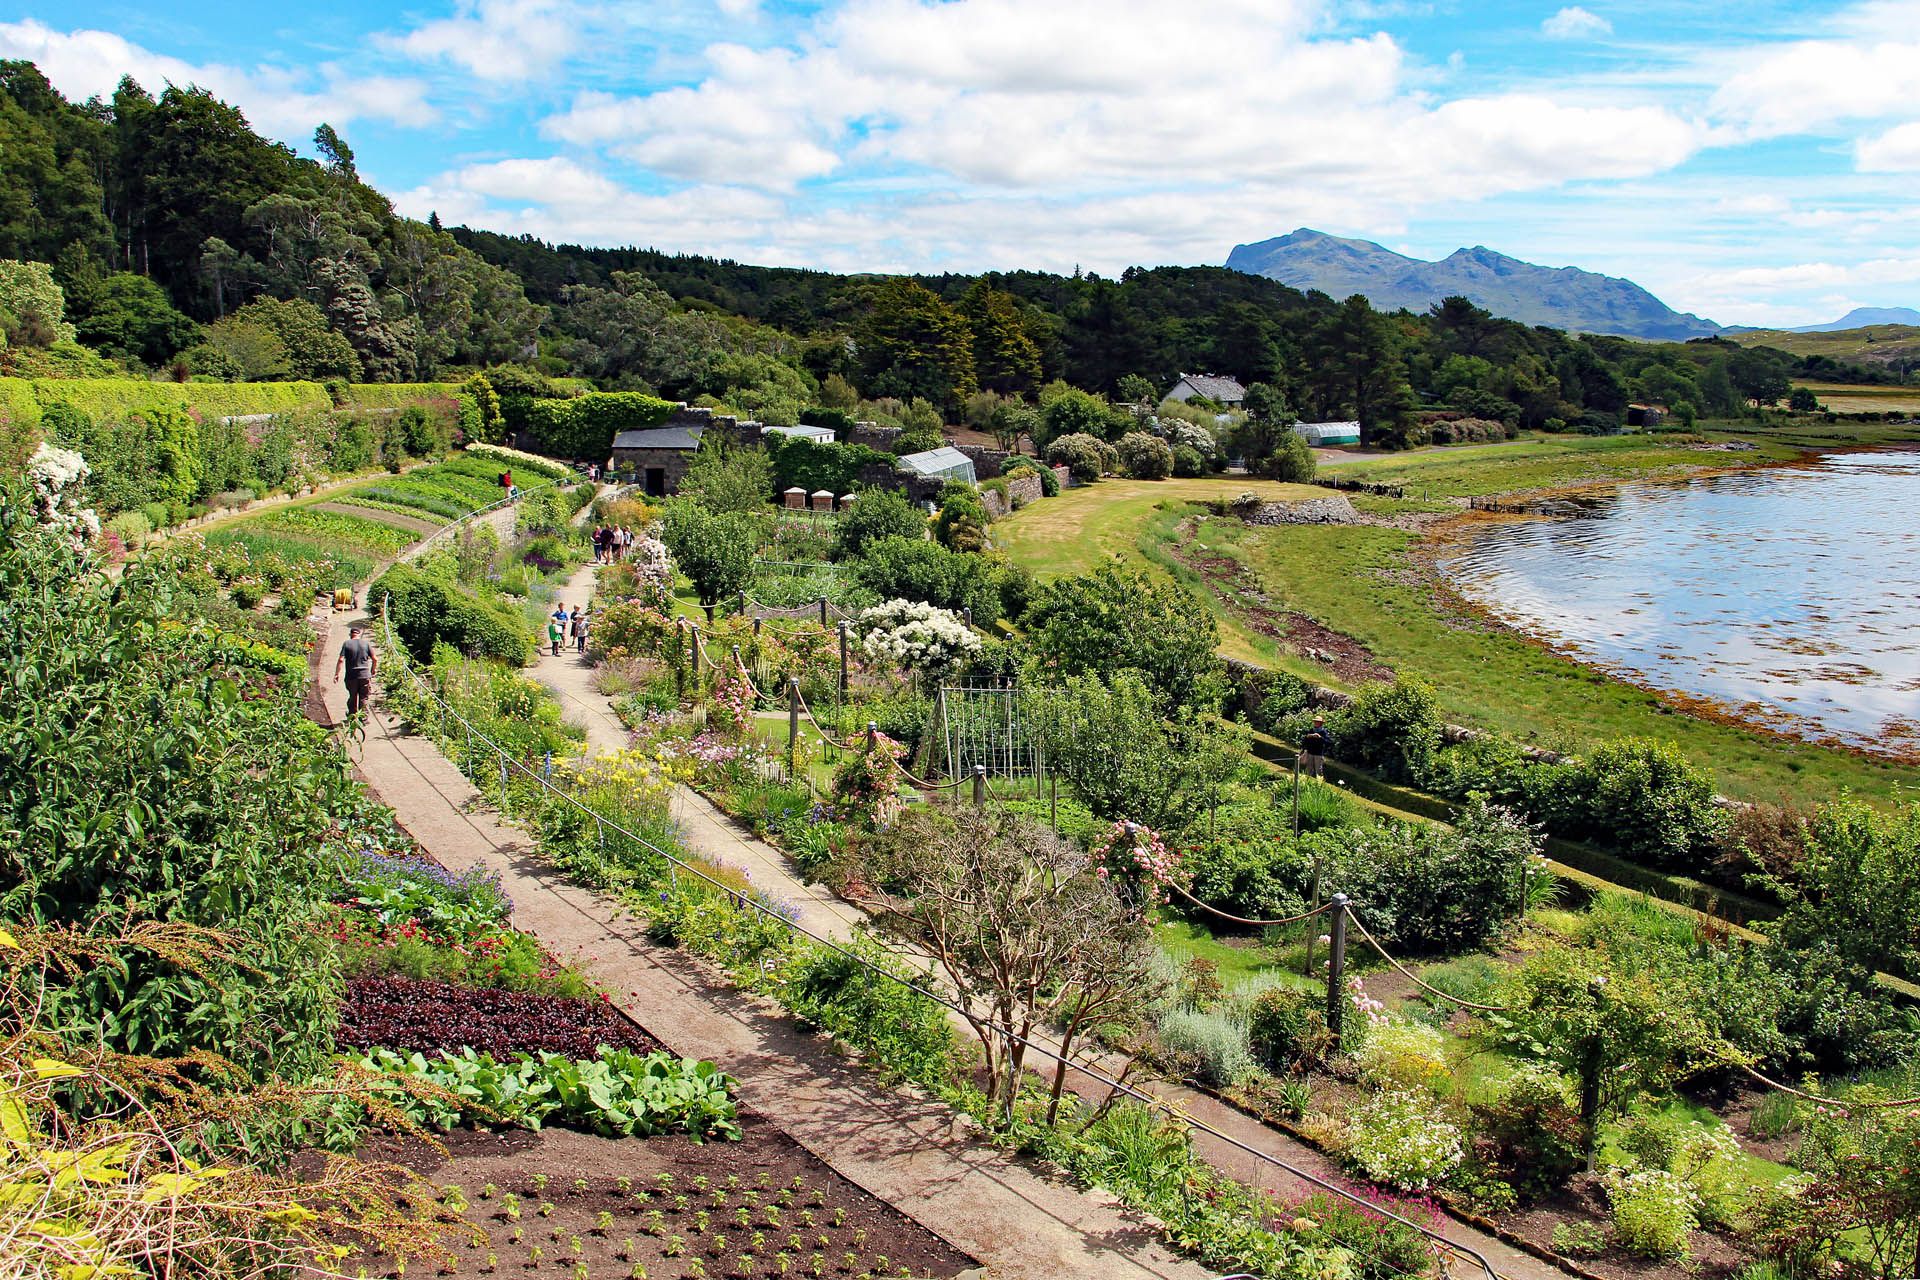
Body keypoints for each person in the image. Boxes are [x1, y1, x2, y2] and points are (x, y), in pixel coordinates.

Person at [334, 625, 378, 722]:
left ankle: (352, 717)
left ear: (350, 635)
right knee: (364, 697)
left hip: (351, 676)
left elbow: (341, 660)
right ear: (359, 634)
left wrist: (336, 674)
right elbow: (375, 659)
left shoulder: (346, 644)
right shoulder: (366, 644)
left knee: (353, 696)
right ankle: (364, 719)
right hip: (365, 675)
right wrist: (373, 670)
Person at [1299, 715, 1333, 780]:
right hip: (1310, 752)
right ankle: (1306, 781)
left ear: (1320, 723)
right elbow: (1305, 741)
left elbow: (1329, 742)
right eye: (1315, 722)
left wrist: (1320, 737)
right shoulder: (1311, 730)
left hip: (1318, 754)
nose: (1316, 723)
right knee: (1309, 769)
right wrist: (1308, 736)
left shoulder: (1323, 732)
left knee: (1319, 770)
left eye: (1317, 722)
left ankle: (1319, 783)